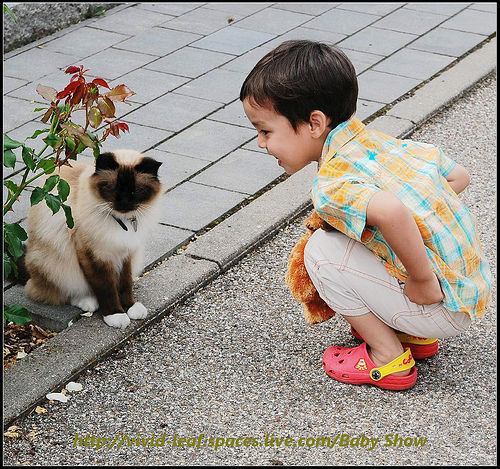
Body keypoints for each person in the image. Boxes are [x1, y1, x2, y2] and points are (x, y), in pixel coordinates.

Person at [240, 40, 492, 390]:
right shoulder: (379, 144)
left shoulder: (331, 185)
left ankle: (387, 356)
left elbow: (390, 209)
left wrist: (421, 280)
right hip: (468, 293)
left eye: (265, 130)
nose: (260, 143)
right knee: (360, 232)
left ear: (314, 123)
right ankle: (411, 333)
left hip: (436, 301)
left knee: (320, 251)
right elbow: (457, 175)